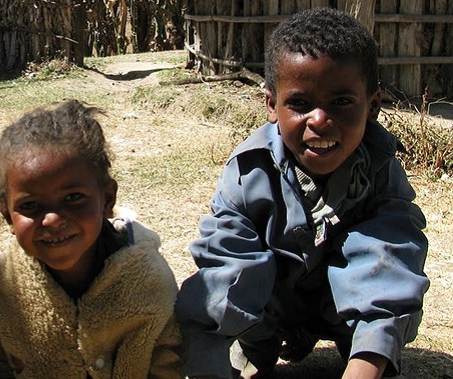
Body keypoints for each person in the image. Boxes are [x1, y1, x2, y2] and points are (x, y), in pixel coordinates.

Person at [175, 7, 429, 379]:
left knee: (377, 329)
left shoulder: (380, 170)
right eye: (299, 103)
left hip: (345, 311)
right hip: (266, 314)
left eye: (341, 102)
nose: (320, 119)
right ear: (271, 105)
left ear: (372, 105)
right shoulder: (248, 173)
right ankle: (255, 353)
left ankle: (363, 354)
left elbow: (389, 263)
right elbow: (226, 275)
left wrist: (367, 362)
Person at [0, 99, 182, 378]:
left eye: (73, 198)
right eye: (30, 206)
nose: (53, 220)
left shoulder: (148, 281)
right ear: (8, 216)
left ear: (107, 200)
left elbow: (167, 364)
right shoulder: (3, 288)